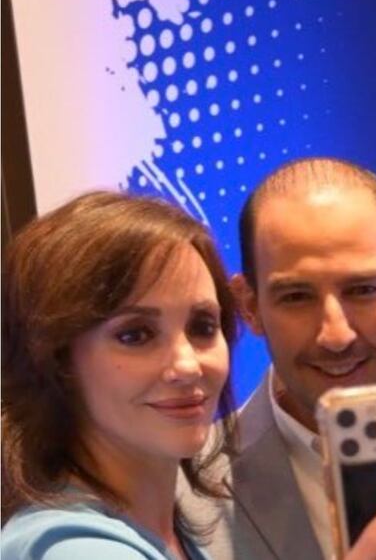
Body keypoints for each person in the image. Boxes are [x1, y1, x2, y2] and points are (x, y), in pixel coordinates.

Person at [180, 157, 376, 560]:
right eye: (296, 297)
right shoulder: (180, 491)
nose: (336, 336)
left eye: (363, 290)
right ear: (250, 306)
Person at [1, 191, 238, 560]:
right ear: (56, 361)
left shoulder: (164, 535)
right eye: (136, 335)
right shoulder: (73, 551)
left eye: (203, 327)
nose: (188, 365)